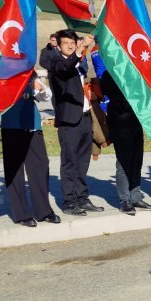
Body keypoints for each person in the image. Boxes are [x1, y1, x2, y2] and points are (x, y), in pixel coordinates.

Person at [40, 30, 101, 217]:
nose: (70, 45)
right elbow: (65, 68)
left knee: (83, 161)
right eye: (65, 42)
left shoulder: (78, 62)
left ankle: (82, 197)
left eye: (73, 42)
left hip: (84, 116)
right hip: (68, 120)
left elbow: (77, 68)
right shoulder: (56, 63)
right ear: (58, 46)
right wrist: (81, 48)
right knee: (70, 161)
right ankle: (69, 201)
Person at [1, 73, 60, 227]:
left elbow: (46, 96)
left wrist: (39, 88)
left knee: (40, 167)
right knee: (15, 170)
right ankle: (21, 214)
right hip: (12, 125)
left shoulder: (29, 73)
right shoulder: (2, 73)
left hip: (33, 125)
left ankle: (43, 210)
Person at [99, 66, 151, 214]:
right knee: (124, 163)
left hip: (135, 122)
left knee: (137, 162)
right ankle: (125, 200)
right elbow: (110, 94)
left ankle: (135, 195)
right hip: (119, 123)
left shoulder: (133, 71)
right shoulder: (108, 74)